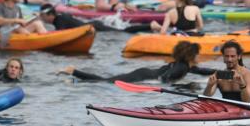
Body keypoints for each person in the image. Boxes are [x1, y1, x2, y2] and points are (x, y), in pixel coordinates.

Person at [60, 40, 214, 83]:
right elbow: (167, 77)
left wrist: (226, 73)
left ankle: (74, 74)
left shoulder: (183, 66)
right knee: (105, 81)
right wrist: (163, 83)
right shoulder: (182, 68)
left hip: (143, 73)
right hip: (143, 77)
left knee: (106, 80)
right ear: (191, 56)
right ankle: (73, 72)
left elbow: (202, 71)